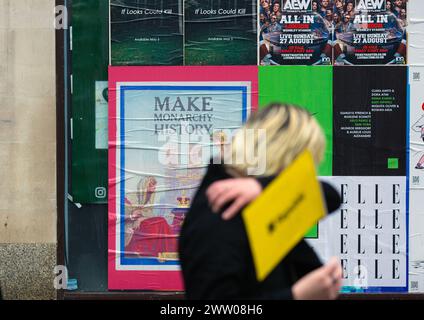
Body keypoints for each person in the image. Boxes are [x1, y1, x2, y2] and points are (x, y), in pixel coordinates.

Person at [179, 103, 343, 300]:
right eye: (304, 165)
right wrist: (297, 296)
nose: (304, 177)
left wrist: (262, 186)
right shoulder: (220, 212)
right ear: (284, 157)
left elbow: (331, 196)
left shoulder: (261, 200)